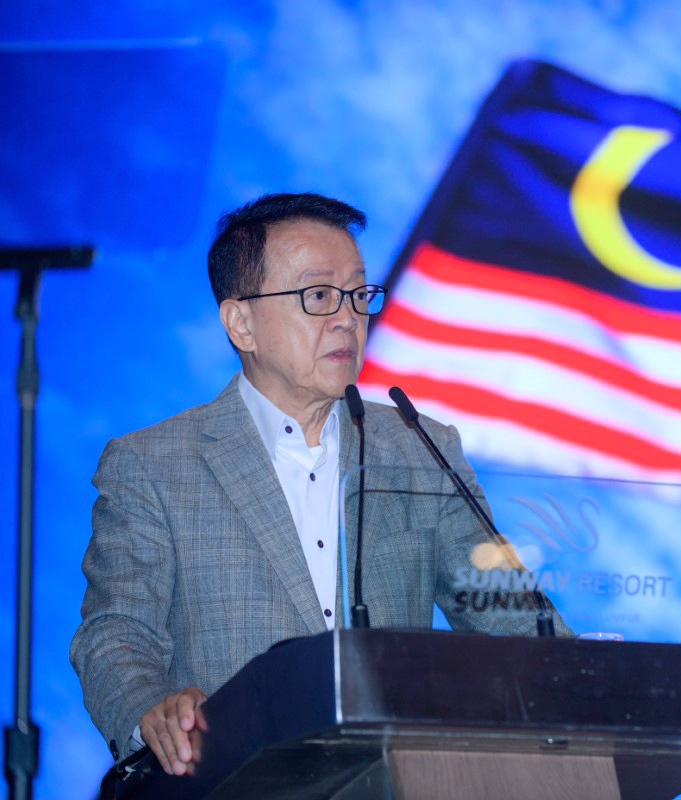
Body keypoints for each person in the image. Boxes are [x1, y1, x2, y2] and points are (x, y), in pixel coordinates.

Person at [70, 193, 560, 778]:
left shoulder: (419, 447)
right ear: (241, 323)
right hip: (230, 781)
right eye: (319, 295)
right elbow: (116, 632)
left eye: (359, 294)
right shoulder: (153, 465)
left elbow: (512, 618)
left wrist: (588, 679)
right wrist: (148, 710)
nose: (349, 318)